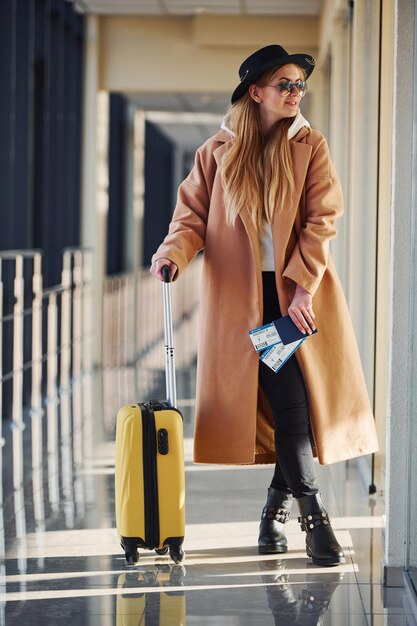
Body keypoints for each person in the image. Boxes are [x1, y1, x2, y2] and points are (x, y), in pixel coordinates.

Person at [150, 44, 379, 566]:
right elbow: (190, 217)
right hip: (243, 305)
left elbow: (323, 220)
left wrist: (302, 286)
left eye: (300, 85)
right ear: (256, 93)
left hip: (296, 299)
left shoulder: (310, 146)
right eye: (285, 85)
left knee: (294, 410)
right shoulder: (216, 152)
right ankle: (310, 518)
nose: (296, 94)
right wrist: (171, 255)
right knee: (292, 409)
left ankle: (283, 511)